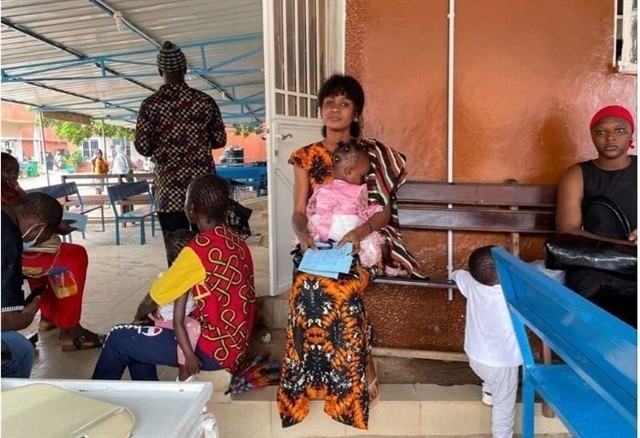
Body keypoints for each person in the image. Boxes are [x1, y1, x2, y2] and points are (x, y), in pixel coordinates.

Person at [277, 74, 421, 430]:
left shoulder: (370, 155)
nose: (335, 110)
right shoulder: (305, 157)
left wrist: (360, 232)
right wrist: (303, 233)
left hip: (358, 246)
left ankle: (357, 371)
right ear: (321, 109)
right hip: (318, 245)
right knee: (304, 292)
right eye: (329, 103)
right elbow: (298, 212)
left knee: (340, 292)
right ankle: (305, 386)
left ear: (356, 111)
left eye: (344, 103)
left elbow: (382, 210)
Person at [92, 174, 256, 381]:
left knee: (118, 338)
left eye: (186, 200)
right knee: (137, 342)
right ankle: (152, 398)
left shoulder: (198, 251)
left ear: (192, 208)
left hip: (213, 348)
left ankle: (94, 400)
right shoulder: (235, 240)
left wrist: (139, 317)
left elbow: (151, 300)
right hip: (236, 341)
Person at [134, 40, 227, 264]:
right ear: (185, 69)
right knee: (209, 247)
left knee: (177, 250)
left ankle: (182, 297)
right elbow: (219, 140)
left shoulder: (150, 106)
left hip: (169, 194)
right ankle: (211, 292)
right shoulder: (205, 102)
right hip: (203, 193)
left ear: (160, 71)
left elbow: (143, 148)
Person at [1, 153, 105, 350]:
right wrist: (24, 317)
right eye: (7, 172)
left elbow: (28, 207)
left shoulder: (10, 190)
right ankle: (69, 329)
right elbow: (5, 318)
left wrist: (15, 186)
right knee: (72, 257)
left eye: (15, 173)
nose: (12, 176)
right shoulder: (7, 240)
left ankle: (49, 316)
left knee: (50, 253)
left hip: (23, 237)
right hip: (11, 248)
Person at [555, 105, 637, 326]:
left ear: (631, 133)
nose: (610, 138)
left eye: (619, 130)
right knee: (592, 289)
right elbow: (568, 230)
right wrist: (624, 246)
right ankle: (600, 356)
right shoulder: (578, 174)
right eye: (600, 132)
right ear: (592, 136)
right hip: (595, 261)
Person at [452, 246, 523, 438]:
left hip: (476, 357)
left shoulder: (473, 285)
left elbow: (458, 274)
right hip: (502, 364)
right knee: (504, 407)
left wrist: (455, 272)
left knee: (492, 381)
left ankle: (488, 394)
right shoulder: (514, 294)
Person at [2, 193, 63, 377]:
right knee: (20, 349)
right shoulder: (8, 241)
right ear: (37, 227)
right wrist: (30, 313)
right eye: (43, 237)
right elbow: (4, 320)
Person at [304, 140, 383, 267]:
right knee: (367, 241)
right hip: (346, 231)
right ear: (349, 172)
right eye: (362, 175)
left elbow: (310, 208)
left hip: (319, 233)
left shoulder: (320, 187)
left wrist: (313, 224)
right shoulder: (359, 190)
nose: (363, 179)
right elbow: (364, 213)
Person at [151, 229, 201, 382]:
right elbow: (177, 323)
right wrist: (190, 357)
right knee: (192, 327)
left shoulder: (177, 273)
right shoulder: (182, 282)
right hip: (169, 320)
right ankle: (183, 373)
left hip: (180, 313)